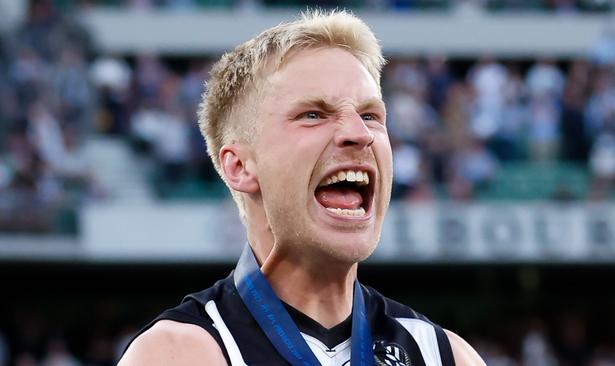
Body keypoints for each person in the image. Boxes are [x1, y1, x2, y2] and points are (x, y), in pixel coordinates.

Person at [118, 10, 485, 366]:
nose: (359, 133)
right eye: (313, 114)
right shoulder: (181, 352)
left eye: (370, 115)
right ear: (241, 166)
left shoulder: (444, 355)